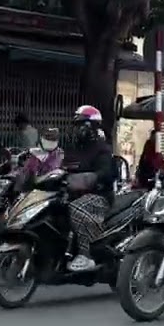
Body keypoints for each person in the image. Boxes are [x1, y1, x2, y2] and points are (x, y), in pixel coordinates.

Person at [63, 106, 118, 272]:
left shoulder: (102, 149)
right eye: (76, 125)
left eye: (82, 125)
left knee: (76, 208)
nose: (79, 129)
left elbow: (106, 173)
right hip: (72, 193)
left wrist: (90, 179)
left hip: (99, 196)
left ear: (93, 126)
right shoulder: (72, 149)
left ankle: (85, 255)